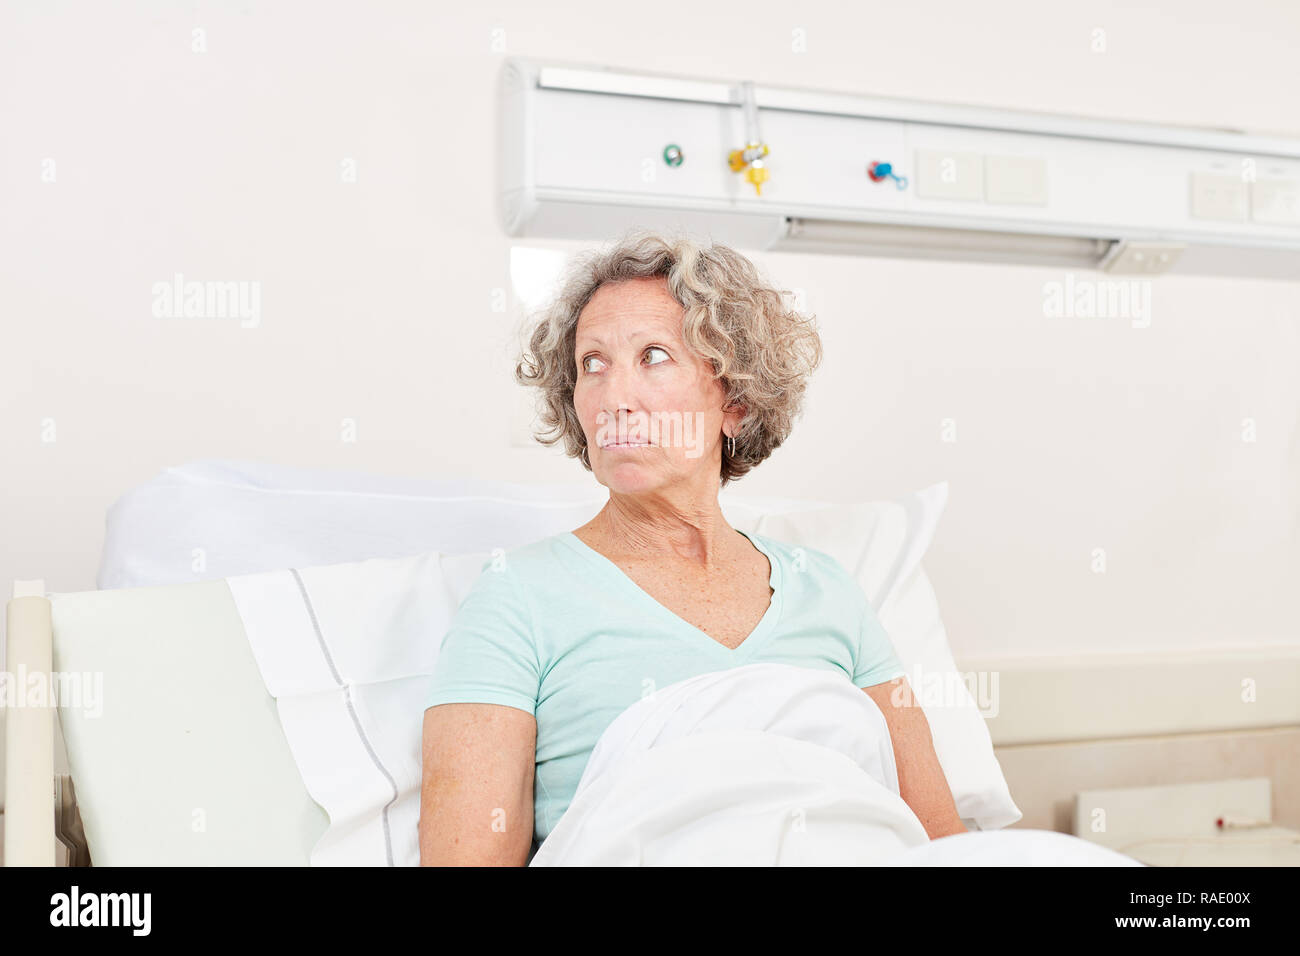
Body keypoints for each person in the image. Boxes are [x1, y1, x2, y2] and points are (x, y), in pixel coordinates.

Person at [420, 230, 964, 865]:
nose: (614, 398)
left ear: (733, 400)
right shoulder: (516, 597)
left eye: (652, 356)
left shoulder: (829, 591)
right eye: (592, 363)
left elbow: (943, 848)